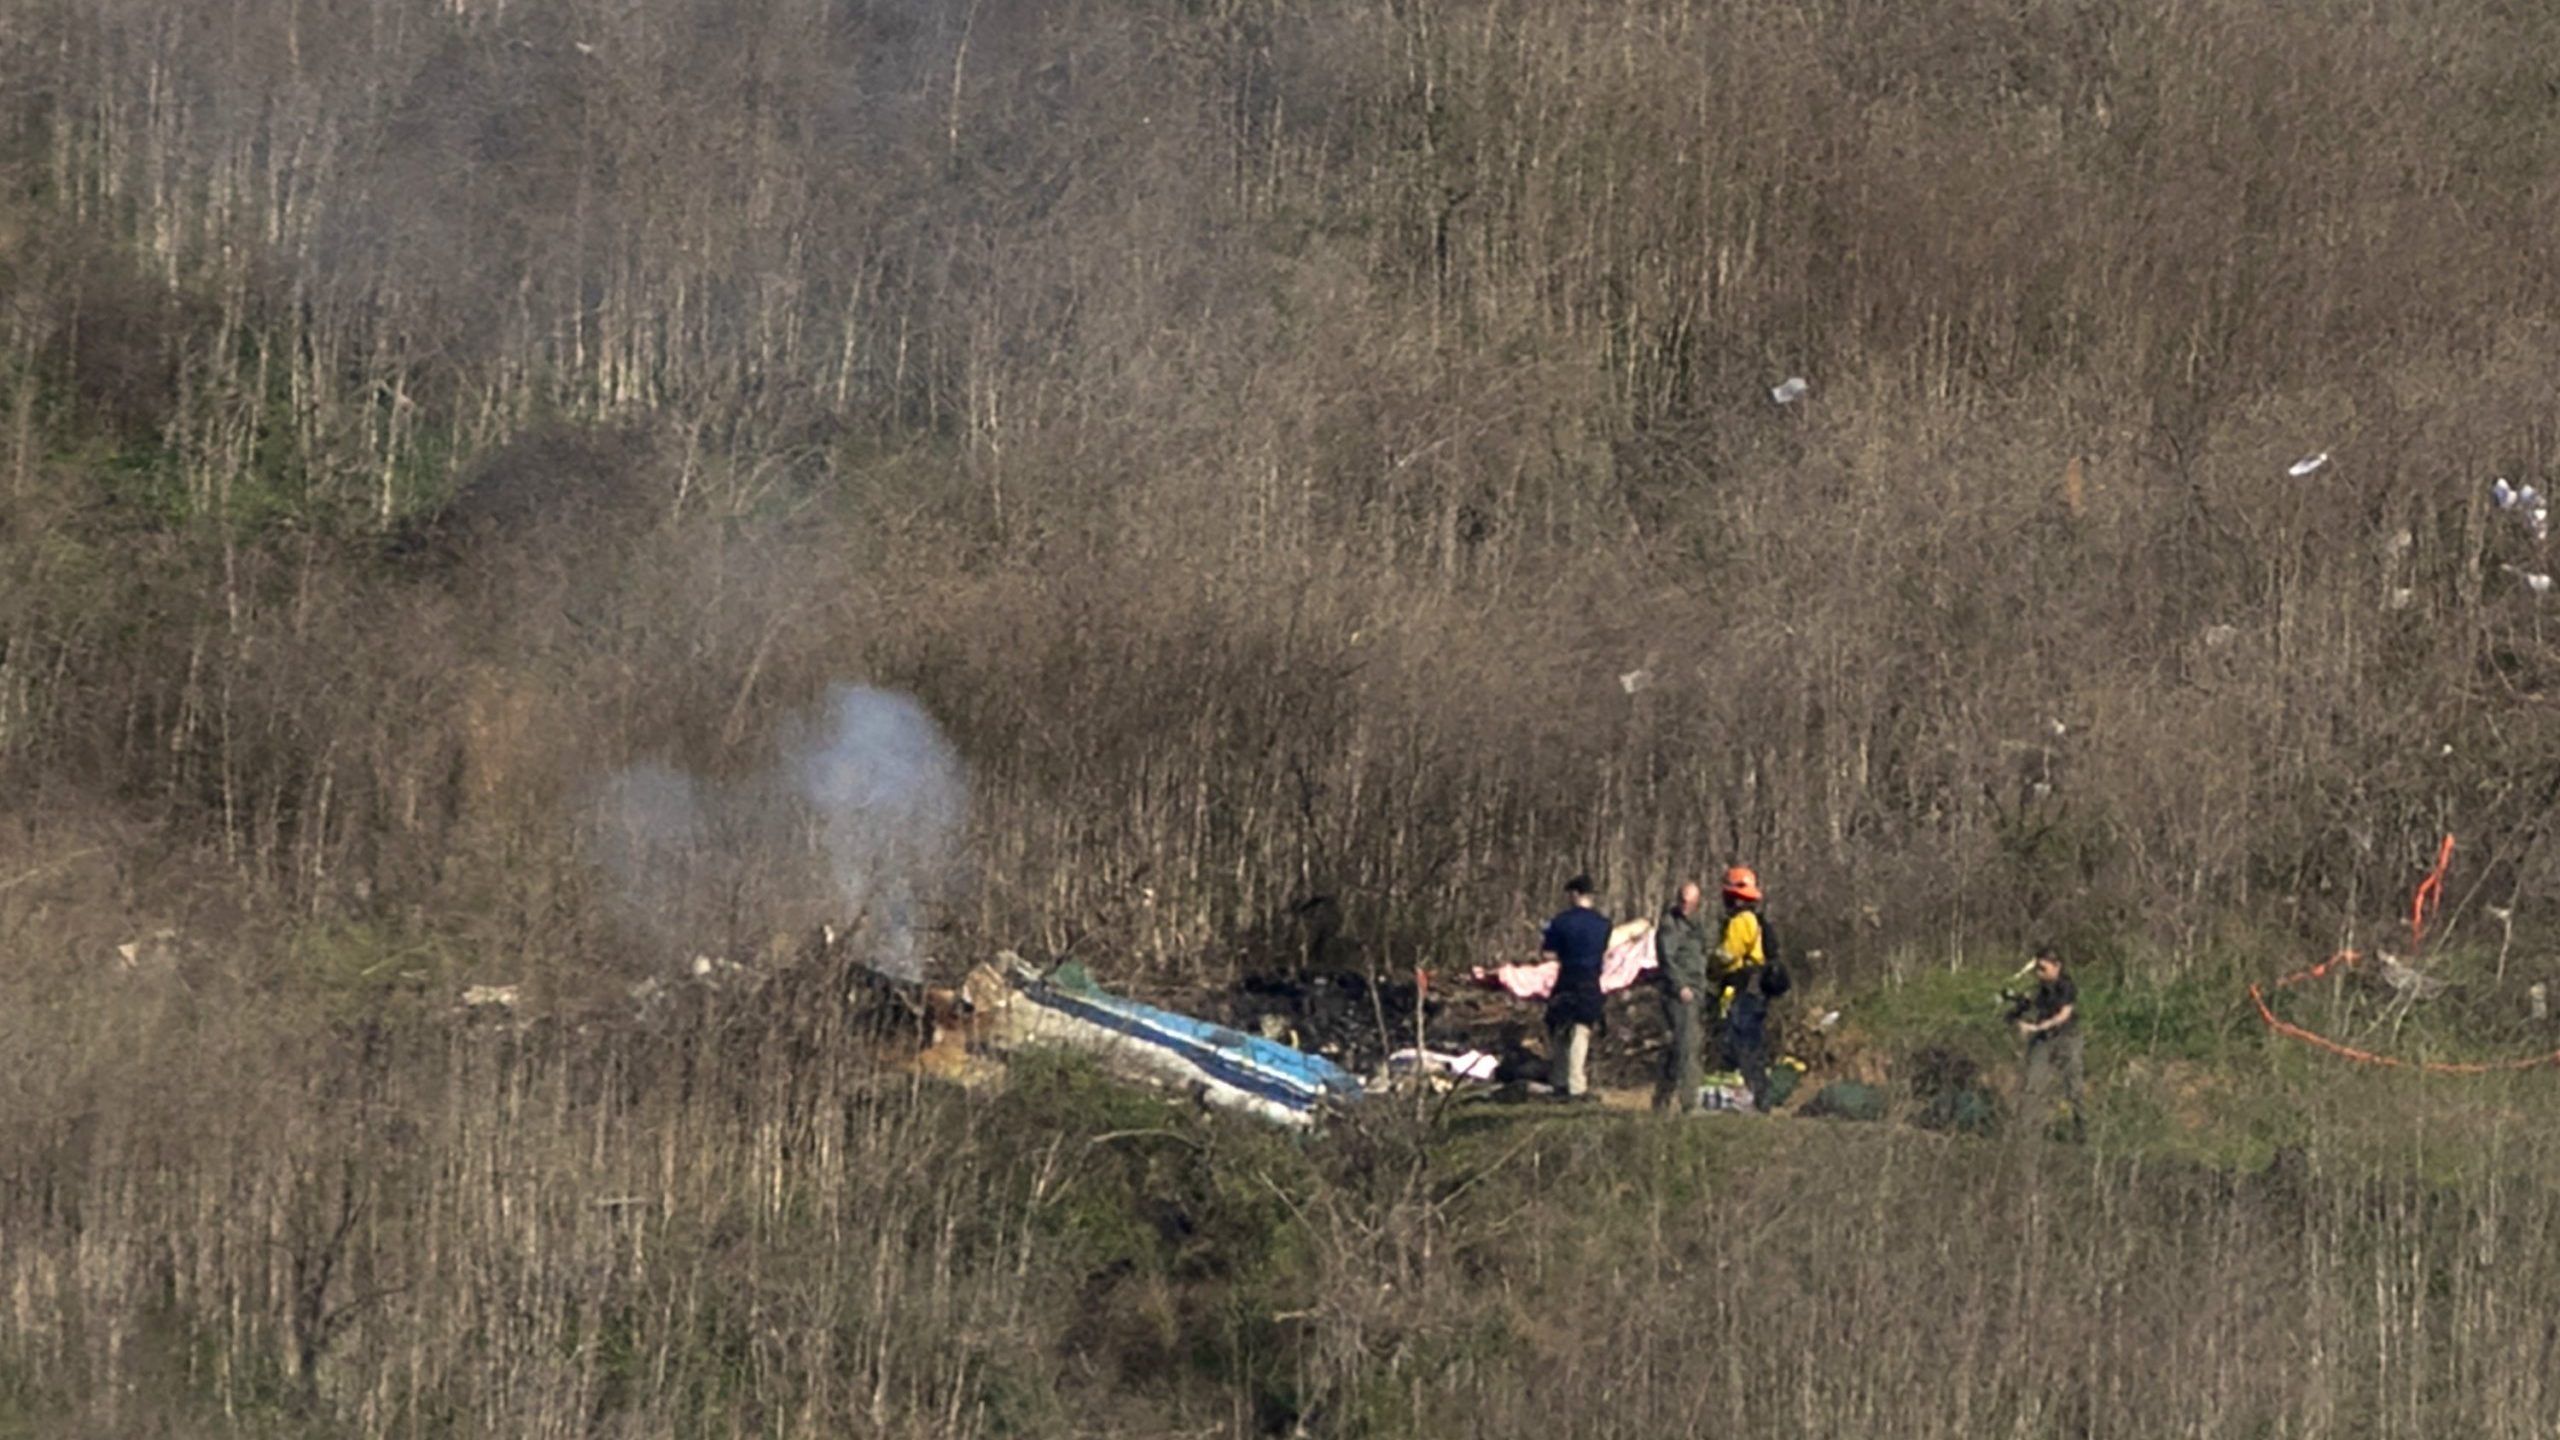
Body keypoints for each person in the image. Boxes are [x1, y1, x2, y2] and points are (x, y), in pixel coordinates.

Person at [1540, 875, 1613, 1100]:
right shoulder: (1603, 924)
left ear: (1574, 894)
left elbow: (1547, 953)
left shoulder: (1560, 922)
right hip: (1591, 980)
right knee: (1582, 1032)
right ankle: (1577, 1084)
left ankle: (1560, 1083)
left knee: (1561, 1030)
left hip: (1567, 978)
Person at [1652, 881, 1711, 1113]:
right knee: (1686, 1047)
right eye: (1683, 900)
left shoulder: (1698, 926)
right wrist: (1680, 986)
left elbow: (1703, 955)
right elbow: (1667, 959)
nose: (1686, 905)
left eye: (1691, 901)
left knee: (1681, 1047)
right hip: (1679, 995)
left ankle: (1662, 1101)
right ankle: (1689, 1103)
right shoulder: (1670, 925)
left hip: (1697, 990)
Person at [2016, 943, 2084, 1141]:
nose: (2039, 973)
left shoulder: (2066, 986)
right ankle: (2028, 1132)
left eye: (2043, 969)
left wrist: (2038, 1028)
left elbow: (2063, 1015)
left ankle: (2081, 1132)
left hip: (2067, 1038)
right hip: (2043, 1040)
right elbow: (2025, 1005)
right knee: (2033, 1083)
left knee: (2074, 1087)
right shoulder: (2037, 989)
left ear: (2057, 966)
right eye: (2037, 969)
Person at [1721, 961, 1790, 1111]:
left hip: (1749, 987)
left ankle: (1757, 1097)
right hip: (1753, 986)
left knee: (1747, 1047)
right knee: (1750, 1048)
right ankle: (1758, 1097)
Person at [1705, 866, 1769, 1025]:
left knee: (1729, 1026)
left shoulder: (1740, 921)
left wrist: (1708, 966)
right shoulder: (1752, 918)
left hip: (1738, 984)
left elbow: (1728, 955)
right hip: (1752, 983)